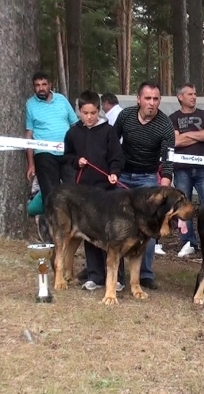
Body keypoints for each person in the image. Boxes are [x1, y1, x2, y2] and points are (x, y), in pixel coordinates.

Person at [113, 81, 175, 290]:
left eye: (155, 99)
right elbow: (112, 143)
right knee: (118, 225)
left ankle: (145, 274)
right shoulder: (125, 117)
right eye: (147, 98)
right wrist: (112, 171)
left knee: (149, 227)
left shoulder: (165, 124)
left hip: (148, 178)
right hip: (122, 175)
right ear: (138, 99)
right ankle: (118, 274)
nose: (151, 103)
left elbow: (168, 159)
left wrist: (163, 189)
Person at [63, 90, 126, 291]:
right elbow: (67, 155)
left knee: (113, 234)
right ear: (79, 111)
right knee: (89, 232)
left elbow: (117, 156)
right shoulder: (73, 132)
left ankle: (116, 278)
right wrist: (76, 161)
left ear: (99, 111)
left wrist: (114, 172)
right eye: (85, 113)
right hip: (85, 192)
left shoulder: (108, 131)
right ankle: (95, 275)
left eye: (93, 113)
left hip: (107, 191)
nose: (89, 117)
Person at [25, 71, 79, 238]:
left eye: (43, 84)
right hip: (44, 154)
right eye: (37, 85)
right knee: (50, 193)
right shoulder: (30, 104)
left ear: (50, 85)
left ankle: (74, 228)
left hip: (67, 153)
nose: (41, 88)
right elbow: (29, 134)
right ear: (34, 87)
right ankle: (49, 231)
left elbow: (75, 124)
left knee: (73, 189)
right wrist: (31, 163)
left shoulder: (62, 100)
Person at [169, 82, 204, 258]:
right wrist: (198, 136)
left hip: (203, 169)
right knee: (183, 205)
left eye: (195, 94)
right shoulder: (173, 117)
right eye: (189, 94)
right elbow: (175, 142)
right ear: (180, 97)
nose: (194, 97)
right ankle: (188, 242)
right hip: (181, 169)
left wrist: (186, 134)